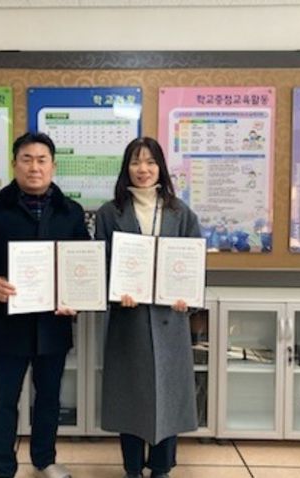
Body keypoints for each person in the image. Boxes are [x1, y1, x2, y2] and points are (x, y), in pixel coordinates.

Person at [0, 132, 90, 478]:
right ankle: (3, 468)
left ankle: (44, 460)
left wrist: (76, 298)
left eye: (42, 160)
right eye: (27, 159)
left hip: (53, 323)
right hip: (9, 323)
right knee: (5, 401)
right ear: (14, 164)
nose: (35, 167)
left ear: (53, 166)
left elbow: (83, 263)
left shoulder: (70, 212)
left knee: (49, 398)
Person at [95, 137, 201, 478]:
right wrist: (115, 291)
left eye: (150, 162)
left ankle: (161, 467)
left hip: (170, 318)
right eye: (136, 162)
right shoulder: (110, 212)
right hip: (128, 318)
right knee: (130, 394)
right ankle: (131, 468)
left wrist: (188, 296)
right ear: (126, 168)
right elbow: (102, 263)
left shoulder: (180, 212)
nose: (143, 169)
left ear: (161, 168)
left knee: (167, 393)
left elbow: (194, 264)